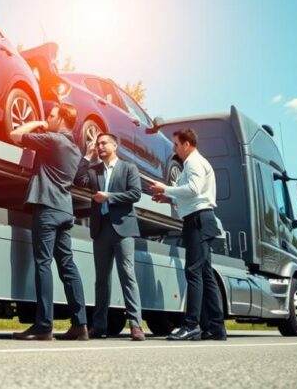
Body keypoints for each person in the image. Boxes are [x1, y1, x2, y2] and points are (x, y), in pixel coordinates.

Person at [10, 103, 89, 341]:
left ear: (62, 119)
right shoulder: (75, 149)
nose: (48, 118)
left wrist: (38, 124)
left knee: (43, 263)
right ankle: (80, 325)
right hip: (65, 210)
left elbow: (15, 135)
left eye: (52, 116)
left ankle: (44, 326)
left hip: (47, 207)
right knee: (68, 267)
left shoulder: (54, 139)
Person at [149, 128, 226, 341]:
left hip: (198, 221)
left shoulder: (193, 162)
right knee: (205, 275)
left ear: (186, 144)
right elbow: (193, 195)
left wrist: (165, 189)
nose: (174, 149)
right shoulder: (193, 163)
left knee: (193, 273)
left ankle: (192, 325)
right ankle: (215, 328)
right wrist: (170, 199)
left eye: (176, 144)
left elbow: (194, 189)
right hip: (200, 219)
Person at [76, 132, 145, 341]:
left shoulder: (128, 168)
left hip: (123, 228)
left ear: (114, 145)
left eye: (104, 143)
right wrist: (87, 157)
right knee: (101, 280)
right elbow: (79, 180)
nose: (100, 146)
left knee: (127, 275)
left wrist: (109, 197)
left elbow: (136, 194)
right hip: (101, 228)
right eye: (98, 144)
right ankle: (99, 326)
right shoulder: (95, 170)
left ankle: (136, 325)